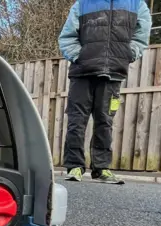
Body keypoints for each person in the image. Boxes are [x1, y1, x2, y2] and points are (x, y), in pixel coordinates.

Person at [58, 0, 152, 184]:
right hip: (82, 73)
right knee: (77, 120)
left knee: (105, 121)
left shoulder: (136, 5)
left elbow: (142, 35)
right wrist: (80, 57)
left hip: (113, 74)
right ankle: (74, 166)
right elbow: (67, 37)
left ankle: (101, 168)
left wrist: (128, 54)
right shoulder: (83, 4)